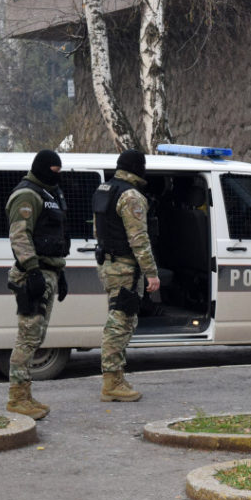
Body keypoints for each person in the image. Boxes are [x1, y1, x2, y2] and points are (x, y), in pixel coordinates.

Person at [4, 150, 70, 420]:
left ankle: (25, 394)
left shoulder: (50, 193)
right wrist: (32, 271)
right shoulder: (27, 194)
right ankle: (17, 398)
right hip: (32, 273)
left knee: (36, 337)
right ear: (42, 168)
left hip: (47, 271)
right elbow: (20, 236)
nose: (56, 175)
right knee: (28, 337)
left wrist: (59, 273)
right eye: (53, 170)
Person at [93, 149, 161, 402]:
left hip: (109, 264)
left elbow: (99, 231)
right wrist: (151, 273)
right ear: (138, 168)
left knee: (121, 320)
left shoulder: (105, 189)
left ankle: (117, 377)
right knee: (120, 323)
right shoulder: (131, 196)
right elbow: (139, 239)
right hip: (124, 267)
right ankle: (112, 382)